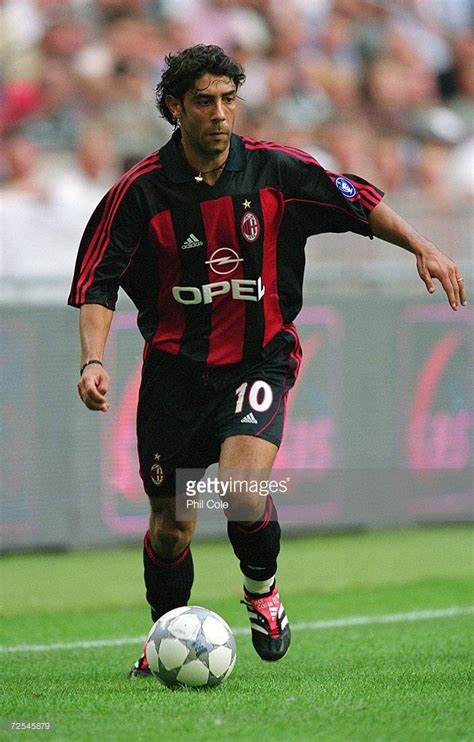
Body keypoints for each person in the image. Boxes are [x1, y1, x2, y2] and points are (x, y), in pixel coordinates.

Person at [68, 44, 467, 677]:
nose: (220, 114)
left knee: (243, 489)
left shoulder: (277, 172)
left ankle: (262, 590)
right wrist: (93, 359)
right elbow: (97, 282)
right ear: (174, 107)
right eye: (204, 101)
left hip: (260, 359)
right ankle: (163, 638)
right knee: (171, 527)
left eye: (229, 99)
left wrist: (423, 246)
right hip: (174, 374)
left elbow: (356, 200)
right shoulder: (138, 193)